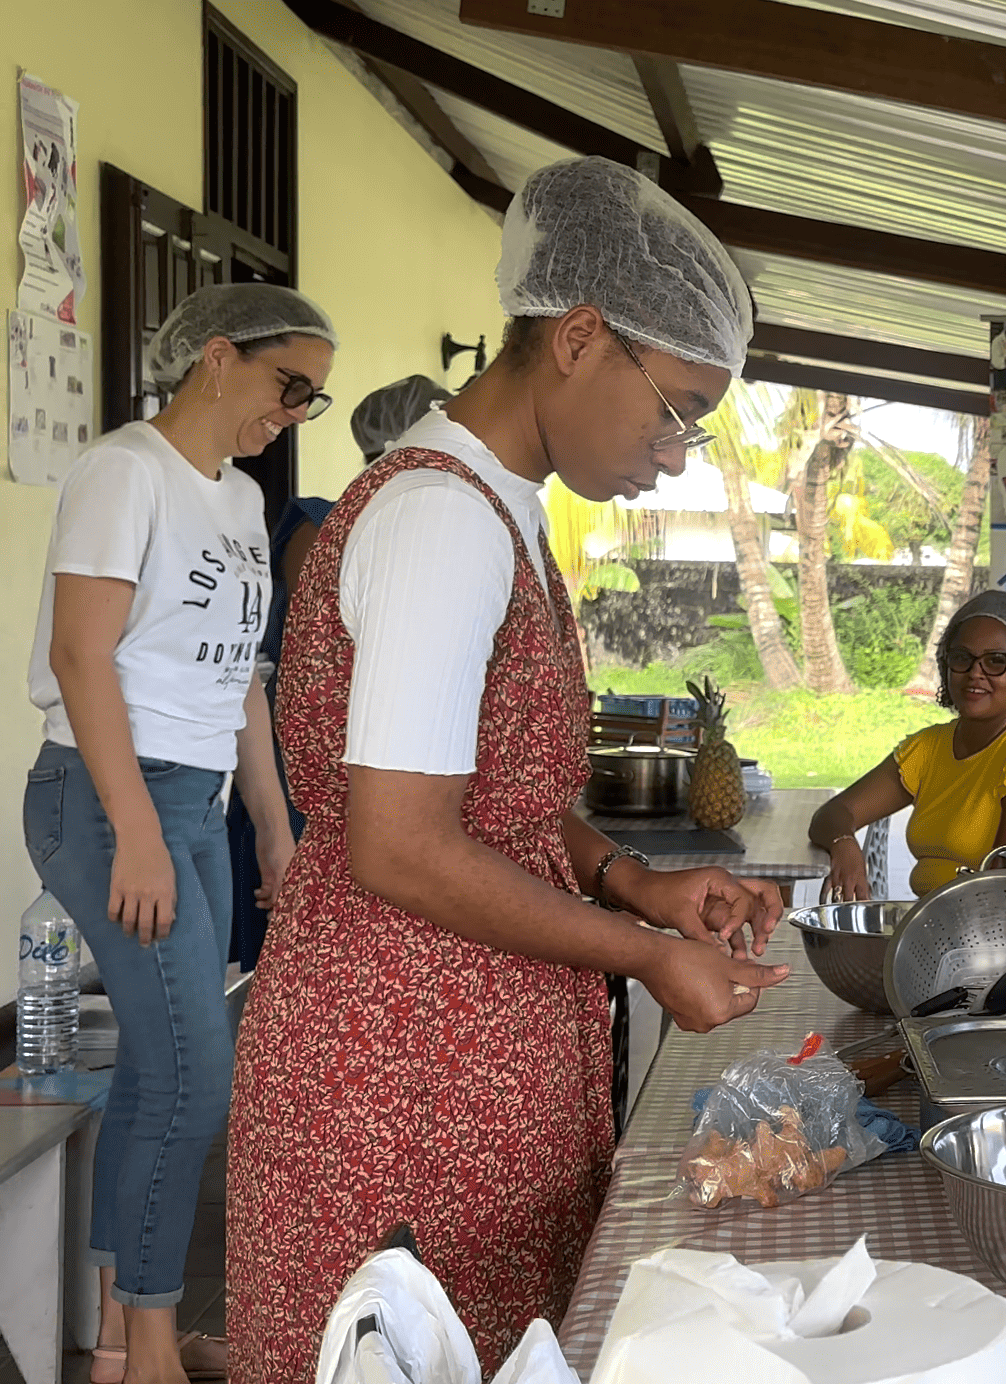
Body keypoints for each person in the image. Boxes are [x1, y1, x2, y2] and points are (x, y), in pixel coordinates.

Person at [227, 157, 792, 1384]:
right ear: (582, 338)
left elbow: (499, 800)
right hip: (402, 1068)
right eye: (679, 408)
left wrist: (632, 882)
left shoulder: (503, 504)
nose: (680, 452)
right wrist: (646, 956)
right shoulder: (438, 521)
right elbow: (401, 842)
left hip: (463, 1051)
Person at [26, 282, 328, 1384]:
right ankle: (150, 1347)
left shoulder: (241, 502)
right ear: (215, 355)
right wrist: (136, 830)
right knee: (197, 1078)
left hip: (193, 802)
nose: (295, 411)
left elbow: (240, 679)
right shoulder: (124, 471)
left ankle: (118, 1342)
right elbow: (79, 657)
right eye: (288, 384)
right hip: (107, 795)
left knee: (167, 1075)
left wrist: (274, 828)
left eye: (314, 398)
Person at [224, 372, 452, 973]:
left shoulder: (427, 543)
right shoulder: (317, 526)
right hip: (295, 787)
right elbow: (348, 638)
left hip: (373, 790)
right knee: (284, 962)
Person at [809, 590, 1006, 898]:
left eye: (996, 661)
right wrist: (844, 845)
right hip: (939, 924)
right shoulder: (929, 748)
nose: (975, 674)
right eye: (962, 659)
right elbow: (834, 814)